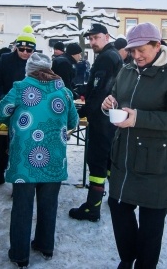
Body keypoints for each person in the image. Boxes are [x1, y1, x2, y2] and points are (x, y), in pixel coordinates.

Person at [101, 22, 167, 269]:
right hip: (124, 158)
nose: (136, 55)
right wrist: (109, 103)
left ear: (157, 46)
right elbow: (118, 98)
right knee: (118, 208)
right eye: (132, 50)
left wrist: (139, 117)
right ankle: (127, 258)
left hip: (155, 164)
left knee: (151, 226)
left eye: (142, 50)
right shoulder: (127, 70)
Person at [0, 53, 79, 268]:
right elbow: (73, 121)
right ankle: (45, 245)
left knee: (22, 207)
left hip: (25, 159)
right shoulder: (64, 91)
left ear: (28, 70)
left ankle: (20, 255)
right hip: (54, 159)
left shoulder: (21, 88)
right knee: (49, 204)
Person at [69, 24, 122, 222]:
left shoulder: (106, 58)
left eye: (96, 38)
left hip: (101, 119)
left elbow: (101, 90)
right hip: (109, 118)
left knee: (97, 162)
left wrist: (85, 111)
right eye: (90, 39)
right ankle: (114, 199)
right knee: (107, 161)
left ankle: (92, 207)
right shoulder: (113, 55)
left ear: (106, 37)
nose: (92, 42)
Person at [0, 25, 36, 191]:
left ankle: (20, 182)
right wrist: (2, 99)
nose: (25, 53)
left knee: (24, 146)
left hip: (29, 110)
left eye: (29, 50)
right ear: (16, 47)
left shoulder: (36, 62)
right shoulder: (6, 60)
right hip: (7, 108)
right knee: (2, 144)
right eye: (22, 49)